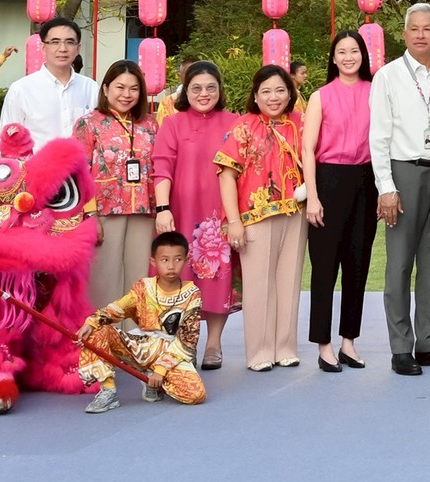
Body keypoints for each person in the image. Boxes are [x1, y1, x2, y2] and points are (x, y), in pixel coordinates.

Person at [370, 1, 430, 376]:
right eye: (415, 29)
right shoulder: (388, 76)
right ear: (405, 33)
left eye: (428, 29)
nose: (421, 35)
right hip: (404, 172)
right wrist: (386, 188)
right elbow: (378, 136)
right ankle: (400, 348)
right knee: (398, 265)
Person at [218, 65, 306, 373]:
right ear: (255, 95)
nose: (274, 97)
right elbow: (227, 175)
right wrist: (233, 221)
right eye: (266, 91)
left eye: (280, 90)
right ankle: (259, 351)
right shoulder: (243, 127)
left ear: (290, 92)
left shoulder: (300, 123)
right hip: (255, 215)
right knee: (258, 285)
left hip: (295, 212)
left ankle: (286, 347)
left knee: (289, 280)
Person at [151, 59, 238, 370]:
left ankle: (213, 343)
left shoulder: (235, 122)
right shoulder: (172, 123)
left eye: (210, 88)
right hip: (181, 213)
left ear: (220, 90)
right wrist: (163, 209)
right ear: (185, 91)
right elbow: (161, 167)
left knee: (217, 278)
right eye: (196, 88)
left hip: (219, 216)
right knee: (179, 276)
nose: (204, 93)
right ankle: (185, 342)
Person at [301, 28, 377, 375]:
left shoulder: (376, 93)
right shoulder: (321, 96)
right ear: (333, 58)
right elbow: (307, 149)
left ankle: (349, 340)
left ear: (364, 55)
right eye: (342, 52)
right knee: (325, 267)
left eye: (354, 51)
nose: (348, 57)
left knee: (357, 265)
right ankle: (324, 343)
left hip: (366, 181)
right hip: (328, 181)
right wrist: (313, 197)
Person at [77, 229, 208, 412]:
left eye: (177, 259)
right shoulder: (142, 288)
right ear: (153, 261)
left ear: (186, 261)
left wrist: (161, 369)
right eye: (165, 260)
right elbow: (116, 309)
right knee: (97, 331)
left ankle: (153, 379)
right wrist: (91, 322)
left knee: (195, 394)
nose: (171, 266)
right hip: (141, 346)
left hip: (172, 351)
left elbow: (188, 341)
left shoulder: (192, 294)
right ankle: (108, 390)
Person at [75, 61, 159, 310]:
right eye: (120, 87)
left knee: (137, 277)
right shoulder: (88, 123)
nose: (126, 94)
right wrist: (90, 214)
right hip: (104, 208)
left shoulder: (150, 124)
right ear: (106, 88)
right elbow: (78, 170)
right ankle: (102, 340)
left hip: (144, 209)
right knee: (104, 277)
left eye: (134, 89)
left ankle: (131, 339)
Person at [1, 18, 96, 150]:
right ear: (43, 47)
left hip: (81, 169)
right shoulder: (21, 90)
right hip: (36, 169)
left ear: (78, 48)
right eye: (55, 42)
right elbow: (8, 142)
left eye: (69, 42)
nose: (62, 48)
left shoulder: (90, 88)